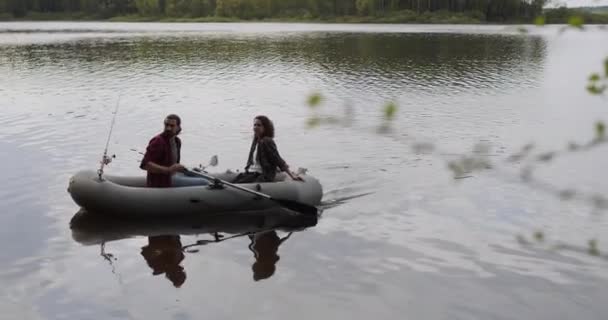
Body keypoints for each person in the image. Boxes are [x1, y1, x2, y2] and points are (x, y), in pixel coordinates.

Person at [234, 115, 303, 183]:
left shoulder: (267, 141)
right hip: (252, 173)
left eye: (259, 125)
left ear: (265, 128)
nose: (256, 127)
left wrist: (292, 175)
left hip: (263, 175)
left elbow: (277, 159)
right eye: (254, 125)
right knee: (235, 182)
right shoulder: (255, 141)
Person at [140, 114, 185, 188]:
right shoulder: (158, 141)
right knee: (203, 182)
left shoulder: (177, 141)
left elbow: (174, 164)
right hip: (162, 182)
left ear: (178, 127)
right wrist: (168, 170)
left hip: (172, 176)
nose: (168, 128)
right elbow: (145, 165)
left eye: (172, 126)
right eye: (166, 125)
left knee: (195, 176)